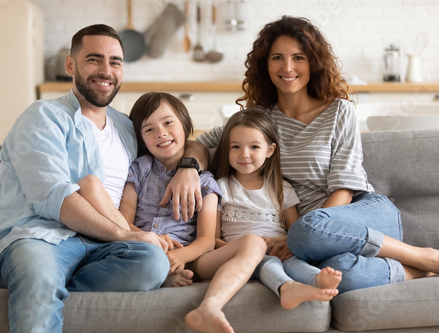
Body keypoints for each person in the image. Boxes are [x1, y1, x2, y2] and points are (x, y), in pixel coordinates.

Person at [0, 24, 208, 332]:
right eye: (94, 59)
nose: (106, 70)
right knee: (39, 271)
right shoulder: (42, 117)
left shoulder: (126, 126)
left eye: (115, 62)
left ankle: (19, 282)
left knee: (153, 262)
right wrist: (124, 234)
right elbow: (55, 198)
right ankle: (29, 278)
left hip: (101, 248)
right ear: (70, 64)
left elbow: (186, 142)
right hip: (42, 237)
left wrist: (188, 165)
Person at [197, 15, 439, 294]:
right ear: (266, 64)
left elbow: (344, 187)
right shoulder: (258, 121)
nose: (287, 67)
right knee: (336, 275)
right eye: (277, 57)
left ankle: (424, 256)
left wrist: (300, 235)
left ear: (313, 62)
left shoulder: (340, 111)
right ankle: (413, 272)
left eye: (298, 57)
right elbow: (199, 144)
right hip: (315, 240)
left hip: (363, 215)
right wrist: (188, 168)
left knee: (304, 231)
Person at [124, 92, 267, 333]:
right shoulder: (139, 169)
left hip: (193, 257)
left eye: (168, 122)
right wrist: (151, 241)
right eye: (149, 129)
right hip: (144, 247)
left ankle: (209, 306)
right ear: (140, 139)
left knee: (254, 243)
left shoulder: (206, 181)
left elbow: (207, 239)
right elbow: (123, 222)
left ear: (185, 125)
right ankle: (163, 275)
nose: (161, 132)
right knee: (141, 254)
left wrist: (180, 257)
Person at [209, 108, 341, 310]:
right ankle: (286, 288)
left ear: (269, 150)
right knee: (266, 262)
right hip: (241, 257)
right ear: (226, 150)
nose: (244, 154)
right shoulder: (221, 187)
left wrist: (280, 243)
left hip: (279, 251)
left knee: (293, 264)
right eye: (235, 147)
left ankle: (316, 280)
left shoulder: (282, 188)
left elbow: (296, 232)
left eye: (254, 146)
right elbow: (212, 239)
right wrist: (246, 249)